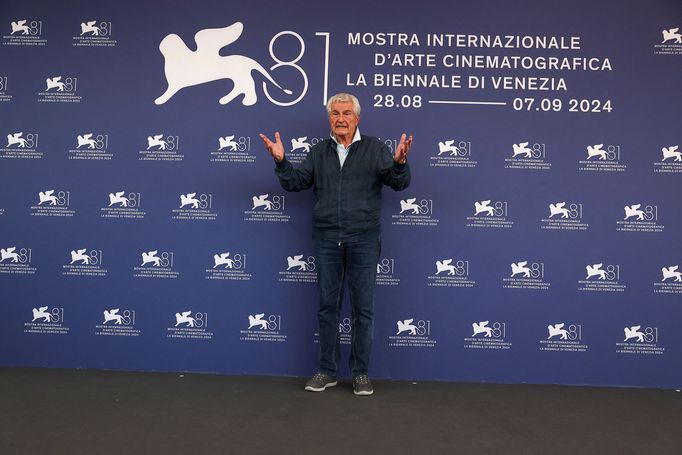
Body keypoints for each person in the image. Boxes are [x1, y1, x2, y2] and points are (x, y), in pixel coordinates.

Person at [259, 93, 412, 396]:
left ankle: (360, 373)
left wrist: (399, 163)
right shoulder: (318, 152)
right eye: (335, 113)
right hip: (327, 239)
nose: (340, 118)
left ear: (357, 117)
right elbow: (295, 183)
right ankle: (327, 370)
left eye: (346, 113)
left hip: (364, 239)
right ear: (329, 118)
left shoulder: (375, 149)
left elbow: (399, 183)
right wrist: (280, 161)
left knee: (363, 310)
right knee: (327, 308)